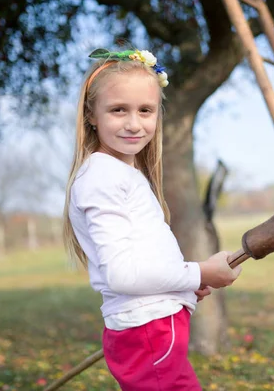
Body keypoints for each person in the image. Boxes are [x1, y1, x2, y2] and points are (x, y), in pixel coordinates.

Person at [62, 48, 242, 390]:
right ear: (91, 114)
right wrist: (200, 271)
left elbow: (142, 258)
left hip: (153, 326)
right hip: (149, 330)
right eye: (118, 110)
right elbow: (122, 274)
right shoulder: (103, 178)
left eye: (145, 110)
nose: (134, 123)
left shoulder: (118, 173)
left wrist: (183, 283)